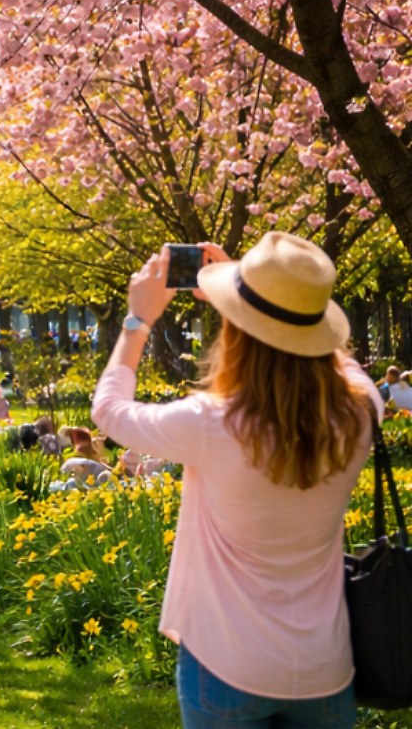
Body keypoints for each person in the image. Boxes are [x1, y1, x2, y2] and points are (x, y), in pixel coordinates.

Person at [92, 234, 380, 729]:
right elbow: (346, 367)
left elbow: (109, 411)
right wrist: (269, 300)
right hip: (324, 668)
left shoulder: (213, 423)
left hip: (227, 665)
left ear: (238, 331)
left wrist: (137, 320)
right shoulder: (358, 416)